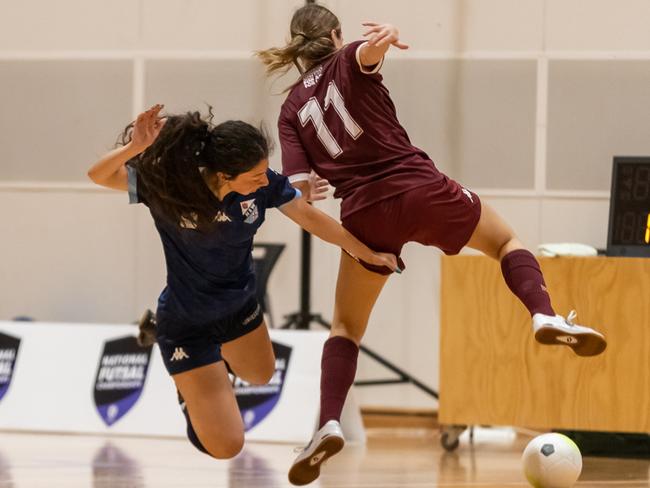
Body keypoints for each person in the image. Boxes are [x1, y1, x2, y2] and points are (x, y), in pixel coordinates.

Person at [257, 4, 607, 485]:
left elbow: (299, 192)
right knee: (505, 240)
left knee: (346, 327)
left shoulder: (291, 108)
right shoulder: (349, 57)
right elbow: (369, 51)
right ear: (335, 34)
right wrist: (388, 35)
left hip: (362, 215)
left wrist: (315, 197)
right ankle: (543, 314)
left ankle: (328, 422)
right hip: (419, 189)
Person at [87, 104, 398, 460]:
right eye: (256, 175)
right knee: (226, 447)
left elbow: (309, 217)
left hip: (238, 307)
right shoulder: (170, 186)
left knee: (262, 374)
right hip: (186, 322)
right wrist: (133, 149)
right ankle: (187, 390)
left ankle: (210, 371)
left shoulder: (262, 188)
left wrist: (365, 252)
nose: (265, 181)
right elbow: (98, 175)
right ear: (223, 175)